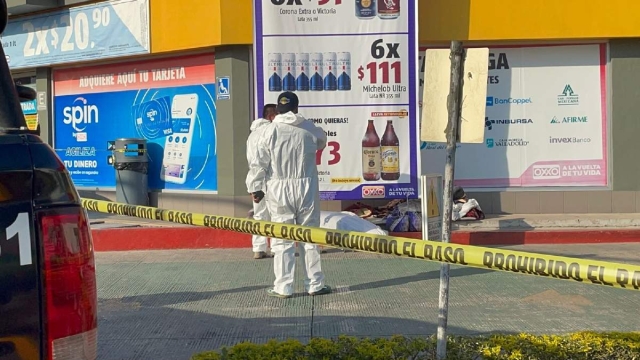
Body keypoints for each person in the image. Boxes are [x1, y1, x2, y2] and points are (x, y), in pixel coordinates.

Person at [246, 91, 331, 298]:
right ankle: (315, 284)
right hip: (306, 188)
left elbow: (259, 163)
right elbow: (322, 141)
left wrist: (255, 188)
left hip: (278, 188)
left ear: (278, 110)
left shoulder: (269, 131)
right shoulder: (308, 128)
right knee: (310, 236)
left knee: (282, 239)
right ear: (296, 108)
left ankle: (283, 287)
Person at [246, 103, 278, 259]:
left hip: (254, 179)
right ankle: (276, 247)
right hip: (270, 178)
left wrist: (254, 184)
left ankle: (258, 248)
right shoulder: (271, 132)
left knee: (259, 215)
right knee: (276, 214)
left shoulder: (252, 135)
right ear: (272, 116)